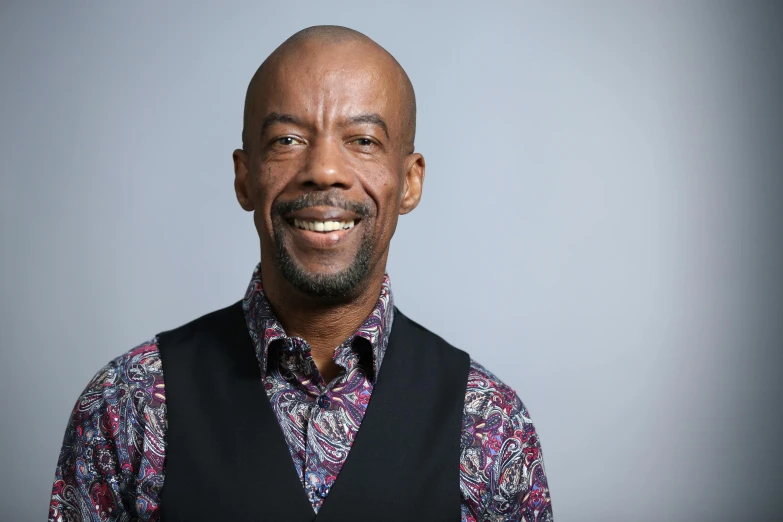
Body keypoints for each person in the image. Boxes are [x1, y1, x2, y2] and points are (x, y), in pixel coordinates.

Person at [49, 25, 552, 522]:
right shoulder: (127, 404)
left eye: (363, 140)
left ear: (410, 182)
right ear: (244, 178)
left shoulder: (489, 422)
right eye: (287, 139)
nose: (324, 169)